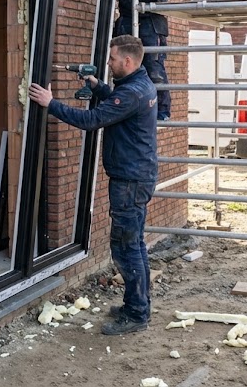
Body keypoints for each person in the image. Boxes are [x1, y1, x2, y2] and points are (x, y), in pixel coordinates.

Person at [28, 35, 157, 335]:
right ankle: (137, 304)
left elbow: (92, 120)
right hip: (137, 176)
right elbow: (117, 102)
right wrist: (98, 86)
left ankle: (137, 314)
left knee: (126, 248)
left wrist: (51, 104)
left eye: (112, 59)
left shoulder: (131, 93)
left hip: (129, 181)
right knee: (135, 244)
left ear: (127, 61)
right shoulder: (139, 85)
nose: (108, 64)